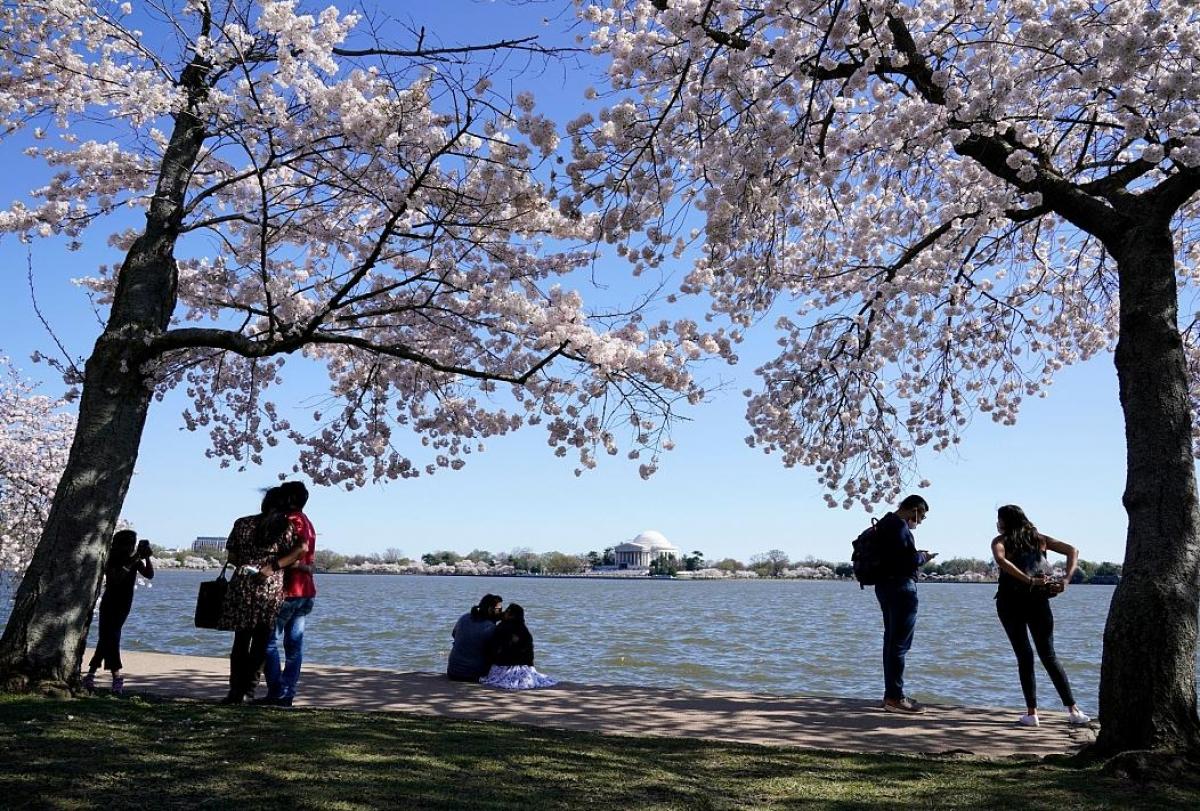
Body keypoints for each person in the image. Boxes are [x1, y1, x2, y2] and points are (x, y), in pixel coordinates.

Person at [991, 504, 1091, 727]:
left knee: (1024, 656)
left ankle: (1032, 714)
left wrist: (1028, 580)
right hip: (1038, 602)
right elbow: (1073, 550)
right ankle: (1073, 711)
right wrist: (1066, 580)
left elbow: (1001, 560)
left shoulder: (1000, 541)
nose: (997, 524)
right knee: (1049, 655)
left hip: (1009, 602)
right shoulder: (1039, 540)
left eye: (999, 519)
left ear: (1006, 521)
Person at [218, 487, 307, 705]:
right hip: (269, 585)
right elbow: (299, 550)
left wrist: (248, 563)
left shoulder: (242, 523)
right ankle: (249, 690)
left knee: (240, 640)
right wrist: (273, 565)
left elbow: (232, 556)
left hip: (242, 584)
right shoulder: (284, 526)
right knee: (260, 641)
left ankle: (235, 690)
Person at [873, 494, 937, 714]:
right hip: (901, 588)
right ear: (914, 509)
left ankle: (891, 693)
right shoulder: (899, 527)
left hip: (884, 586)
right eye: (921, 516)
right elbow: (907, 560)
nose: (920, 521)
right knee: (899, 644)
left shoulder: (884, 523)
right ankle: (895, 697)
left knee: (890, 642)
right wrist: (923, 557)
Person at [259, 481, 317, 707]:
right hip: (306, 590)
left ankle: (278, 692)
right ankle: (287, 692)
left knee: (267, 642)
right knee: (294, 647)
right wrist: (305, 567)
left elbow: (298, 551)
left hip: (288, 590)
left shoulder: (290, 520)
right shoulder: (307, 521)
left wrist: (273, 566)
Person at [82, 529, 154, 694]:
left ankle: (91, 675)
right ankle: (116, 677)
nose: (131, 548)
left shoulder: (134, 560)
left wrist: (147, 557)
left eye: (133, 544)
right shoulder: (111, 558)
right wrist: (133, 560)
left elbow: (149, 575)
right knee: (111, 637)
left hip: (124, 604)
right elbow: (115, 579)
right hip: (110, 602)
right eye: (129, 544)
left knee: (107, 638)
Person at [479, 603, 557, 690]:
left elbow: (494, 650)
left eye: (507, 611)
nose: (504, 613)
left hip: (504, 666)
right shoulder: (524, 630)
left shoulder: (502, 627)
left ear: (512, 615)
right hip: (524, 667)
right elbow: (529, 654)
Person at [447, 594, 503, 682]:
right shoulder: (491, 628)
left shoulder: (464, 617)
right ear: (490, 609)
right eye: (499, 609)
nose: (501, 612)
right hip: (474, 675)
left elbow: (454, 635)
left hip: (453, 671)